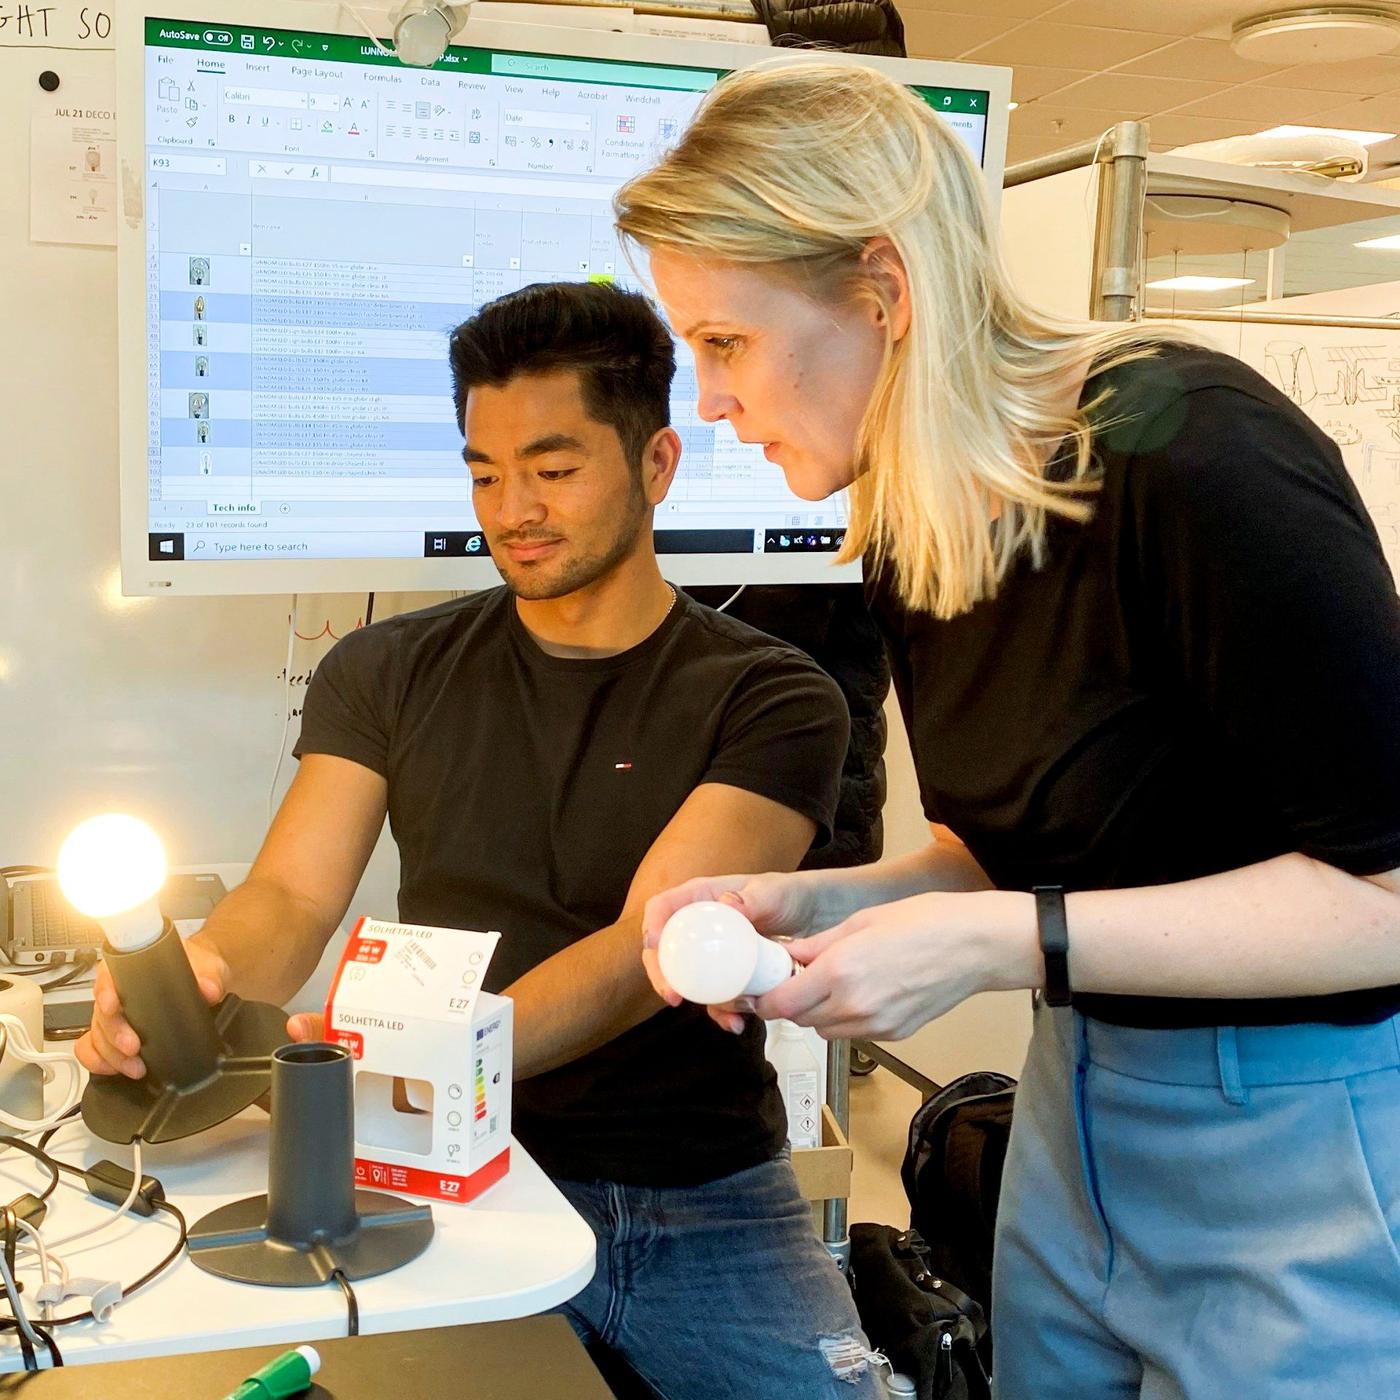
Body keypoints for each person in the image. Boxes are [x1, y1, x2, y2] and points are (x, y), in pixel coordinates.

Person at [618, 60, 1400, 1399]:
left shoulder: (1192, 457)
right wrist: (810, 900)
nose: (708, 402)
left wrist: (1000, 941)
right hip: (1078, 1117)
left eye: (726, 342)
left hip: (1299, 1133)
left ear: (883, 289)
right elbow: (1004, 843)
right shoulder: (920, 525)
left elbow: (1386, 895)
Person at [78, 281, 883, 1400]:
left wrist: (415, 1052)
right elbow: (290, 898)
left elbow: (637, 952)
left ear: (655, 464)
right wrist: (203, 972)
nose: (512, 507)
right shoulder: (387, 670)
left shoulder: (773, 695)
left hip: (697, 1192)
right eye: (484, 471)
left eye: (552, 469)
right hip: (443, 1169)